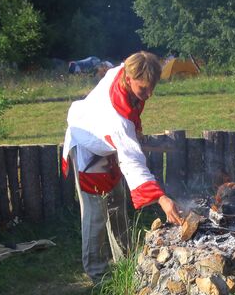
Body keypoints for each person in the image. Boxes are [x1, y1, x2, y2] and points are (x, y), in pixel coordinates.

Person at [62, 51, 184, 283]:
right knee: (95, 213)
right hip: (88, 147)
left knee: (117, 204)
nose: (149, 94)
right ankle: (97, 273)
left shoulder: (125, 71)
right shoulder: (118, 118)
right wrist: (162, 199)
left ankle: (125, 261)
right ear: (128, 79)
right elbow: (132, 162)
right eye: (143, 89)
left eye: (152, 87)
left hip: (108, 144)